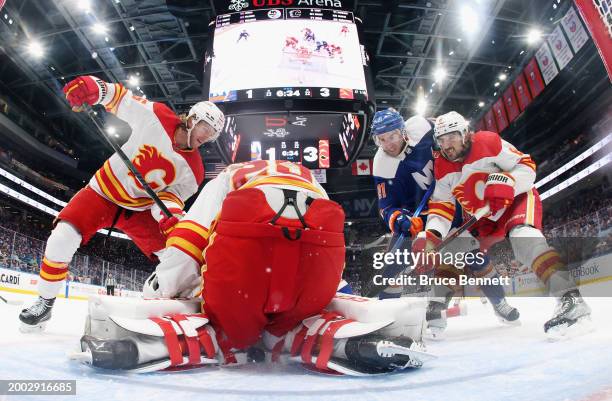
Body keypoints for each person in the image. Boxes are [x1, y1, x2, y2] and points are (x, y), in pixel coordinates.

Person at [75, 160, 431, 375]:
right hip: (318, 258)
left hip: (247, 255)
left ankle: (157, 345)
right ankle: (343, 343)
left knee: (232, 329)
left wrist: (162, 291)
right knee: (295, 320)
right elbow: (328, 249)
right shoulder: (310, 179)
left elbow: (188, 243)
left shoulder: (227, 177)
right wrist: (337, 297)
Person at [19, 75, 225, 332]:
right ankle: (45, 301)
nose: (209, 137)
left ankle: (184, 306)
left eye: (214, 134)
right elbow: (120, 98)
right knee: (61, 238)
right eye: (207, 128)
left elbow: (169, 199)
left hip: (139, 210)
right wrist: (93, 87)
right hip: (102, 193)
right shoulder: (157, 115)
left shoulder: (194, 171)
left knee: (179, 254)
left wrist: (171, 218)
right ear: (193, 119)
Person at [414, 111, 591, 337]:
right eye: (442, 140)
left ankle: (571, 300)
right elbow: (442, 205)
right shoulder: (442, 165)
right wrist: (432, 236)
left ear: (465, 133)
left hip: (516, 200)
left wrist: (509, 182)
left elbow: (527, 166)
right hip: (482, 216)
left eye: (452, 137)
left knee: (525, 240)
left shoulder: (488, 141)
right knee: (451, 252)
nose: (447, 145)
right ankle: (435, 309)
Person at [369, 108, 519, 335]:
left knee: (475, 257)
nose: (388, 143)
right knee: (393, 265)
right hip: (417, 220)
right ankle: (383, 321)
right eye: (382, 139)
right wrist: (398, 219)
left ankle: (499, 303)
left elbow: (451, 136)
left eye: (393, 136)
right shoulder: (381, 164)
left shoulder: (420, 126)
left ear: (403, 131)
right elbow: (386, 206)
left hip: (450, 205)